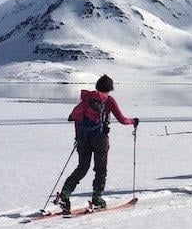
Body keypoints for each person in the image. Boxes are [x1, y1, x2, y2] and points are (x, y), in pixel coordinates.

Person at [55, 75, 139, 214]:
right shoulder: (109, 101)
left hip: (83, 138)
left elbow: (73, 116)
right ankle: (97, 199)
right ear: (110, 88)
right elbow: (122, 120)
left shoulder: (86, 99)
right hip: (100, 139)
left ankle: (65, 194)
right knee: (100, 170)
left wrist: (79, 136)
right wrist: (133, 121)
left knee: (82, 167)